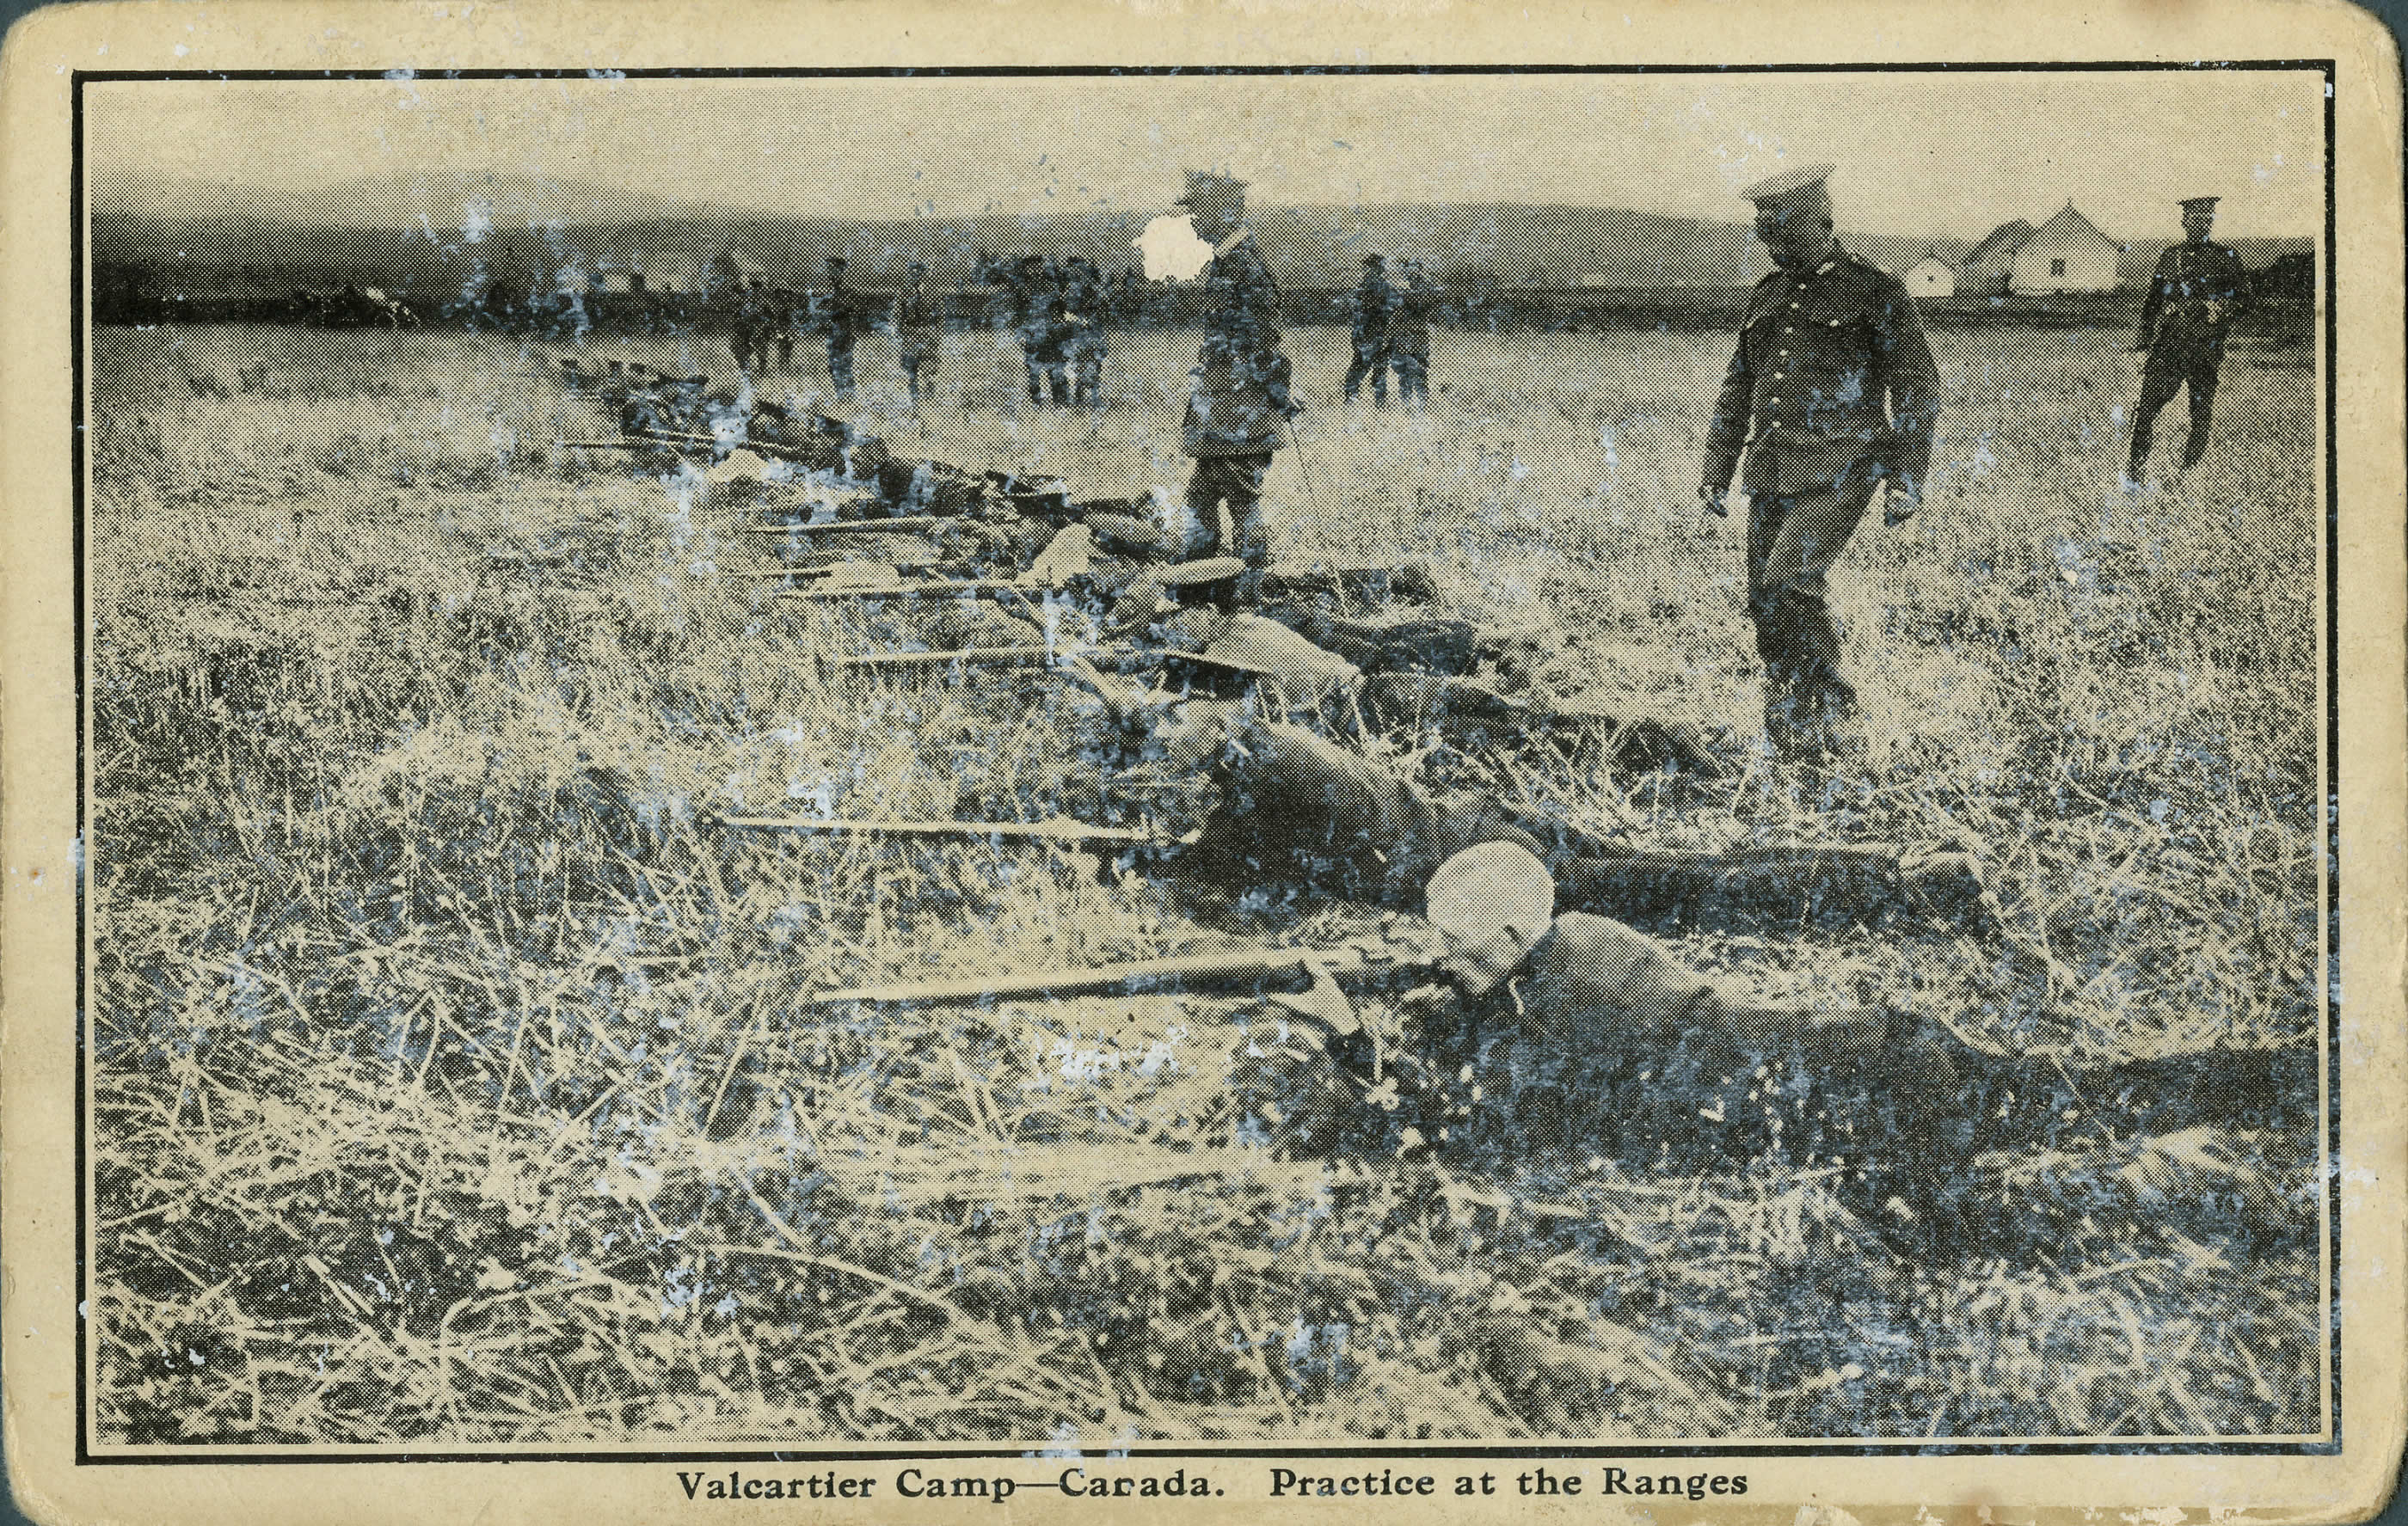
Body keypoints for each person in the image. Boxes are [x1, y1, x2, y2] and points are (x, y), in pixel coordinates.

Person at [1698, 164, 1939, 765]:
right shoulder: (1767, 294)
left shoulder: (1874, 291)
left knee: (1789, 585)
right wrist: (1716, 469)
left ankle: (1839, 724)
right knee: (1764, 599)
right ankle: (1790, 732)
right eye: (1767, 235)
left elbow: (1917, 385)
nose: (1774, 245)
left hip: (1844, 465)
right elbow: (1739, 387)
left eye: (1786, 233)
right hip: (1773, 469)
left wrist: (1906, 479)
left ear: (1824, 222)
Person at [1172, 171, 1295, 590]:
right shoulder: (1229, 262)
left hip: (1238, 405)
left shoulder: (1245, 264)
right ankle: (1199, 577)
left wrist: (1268, 388)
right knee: (1201, 496)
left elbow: (1262, 336)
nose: (1194, 222)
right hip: (1224, 402)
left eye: (1200, 212)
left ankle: (1252, 585)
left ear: (1224, 212)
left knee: (1241, 496)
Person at [2127, 195, 2251, 482]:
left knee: (2200, 413)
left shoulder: (2226, 257)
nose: (2199, 224)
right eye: (2193, 219)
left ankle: (2189, 474)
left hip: (2205, 348)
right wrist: (2145, 338)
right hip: (2169, 346)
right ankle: (2134, 472)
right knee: (2146, 408)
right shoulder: (2171, 257)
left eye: (2205, 219)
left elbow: (2245, 300)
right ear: (2184, 222)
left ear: (2211, 222)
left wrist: (2220, 307)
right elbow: (2153, 301)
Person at [1342, 254, 1396, 406]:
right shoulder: (1376, 286)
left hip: (1370, 335)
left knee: (1360, 372)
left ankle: (1353, 402)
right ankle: (1379, 404)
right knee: (1377, 372)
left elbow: (1375, 311)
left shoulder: (1370, 286)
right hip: (1372, 335)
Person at [894, 260, 943, 408]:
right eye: (912, 272)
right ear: (908, 274)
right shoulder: (903, 292)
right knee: (911, 369)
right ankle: (913, 397)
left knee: (929, 367)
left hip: (928, 334)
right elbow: (897, 315)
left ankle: (929, 397)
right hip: (910, 335)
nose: (916, 275)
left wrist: (937, 334)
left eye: (919, 272)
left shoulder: (932, 292)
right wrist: (899, 333)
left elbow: (939, 315)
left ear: (924, 274)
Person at [1010, 254, 1059, 406]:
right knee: (1033, 370)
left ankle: (1058, 400)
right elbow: (1018, 310)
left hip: (1047, 331)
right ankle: (1036, 399)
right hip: (1032, 332)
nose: (1033, 270)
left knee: (1052, 366)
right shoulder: (1023, 287)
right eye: (1030, 267)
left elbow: (1057, 302)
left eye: (1037, 266)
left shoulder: (1048, 283)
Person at [1387, 260, 1436, 405]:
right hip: (1402, 333)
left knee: (1420, 368)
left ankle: (1422, 401)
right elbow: (1393, 305)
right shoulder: (1398, 285)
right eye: (1409, 269)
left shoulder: (1425, 286)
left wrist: (1407, 296)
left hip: (1418, 334)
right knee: (1403, 370)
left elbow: (1427, 303)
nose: (1411, 272)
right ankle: (1405, 402)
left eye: (1415, 268)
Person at [1063, 255, 1110, 407]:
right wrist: (1079, 320)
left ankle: (1094, 397)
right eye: (1076, 269)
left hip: (1094, 332)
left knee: (1094, 364)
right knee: (1080, 366)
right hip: (1079, 334)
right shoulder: (1071, 289)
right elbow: (1066, 312)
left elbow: (1103, 309)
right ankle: (1079, 398)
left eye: (1082, 269)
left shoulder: (1093, 288)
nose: (1079, 272)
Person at [817, 256, 859, 401]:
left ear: (839, 270)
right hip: (836, 331)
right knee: (834, 365)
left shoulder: (845, 287)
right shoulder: (832, 287)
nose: (827, 272)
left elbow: (849, 309)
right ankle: (842, 394)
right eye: (827, 268)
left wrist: (829, 313)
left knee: (843, 364)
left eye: (831, 268)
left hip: (845, 331)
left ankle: (847, 395)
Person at [1026, 295, 1075, 407]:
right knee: (1036, 378)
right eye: (1053, 313)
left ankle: (1061, 402)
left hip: (1055, 355)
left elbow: (1068, 340)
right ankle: (1038, 400)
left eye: (1057, 313)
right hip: (1042, 354)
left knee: (1057, 378)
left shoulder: (1064, 326)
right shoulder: (1044, 325)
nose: (1055, 315)